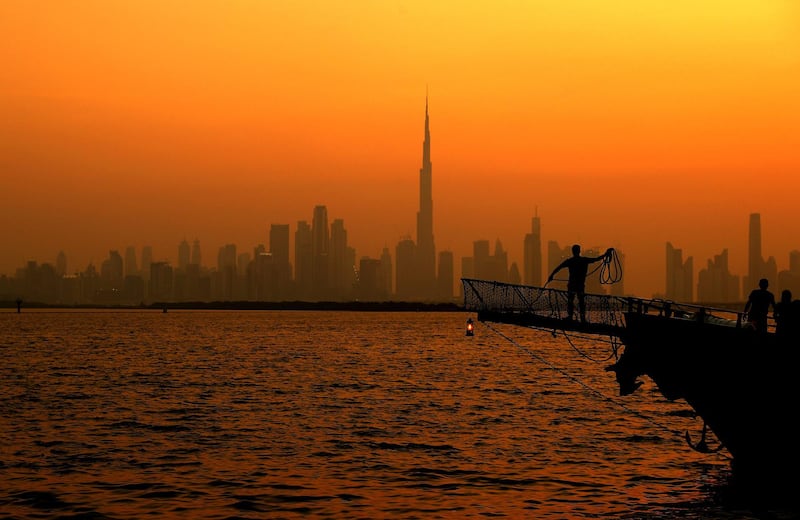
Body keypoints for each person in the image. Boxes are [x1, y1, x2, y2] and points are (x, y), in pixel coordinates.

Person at [547, 244, 613, 324]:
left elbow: (558, 267)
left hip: (572, 285)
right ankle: (582, 318)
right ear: (579, 251)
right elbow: (596, 259)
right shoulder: (584, 260)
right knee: (580, 301)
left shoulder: (570, 261)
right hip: (580, 285)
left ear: (573, 251)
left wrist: (551, 275)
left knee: (571, 301)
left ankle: (571, 317)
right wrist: (605, 255)